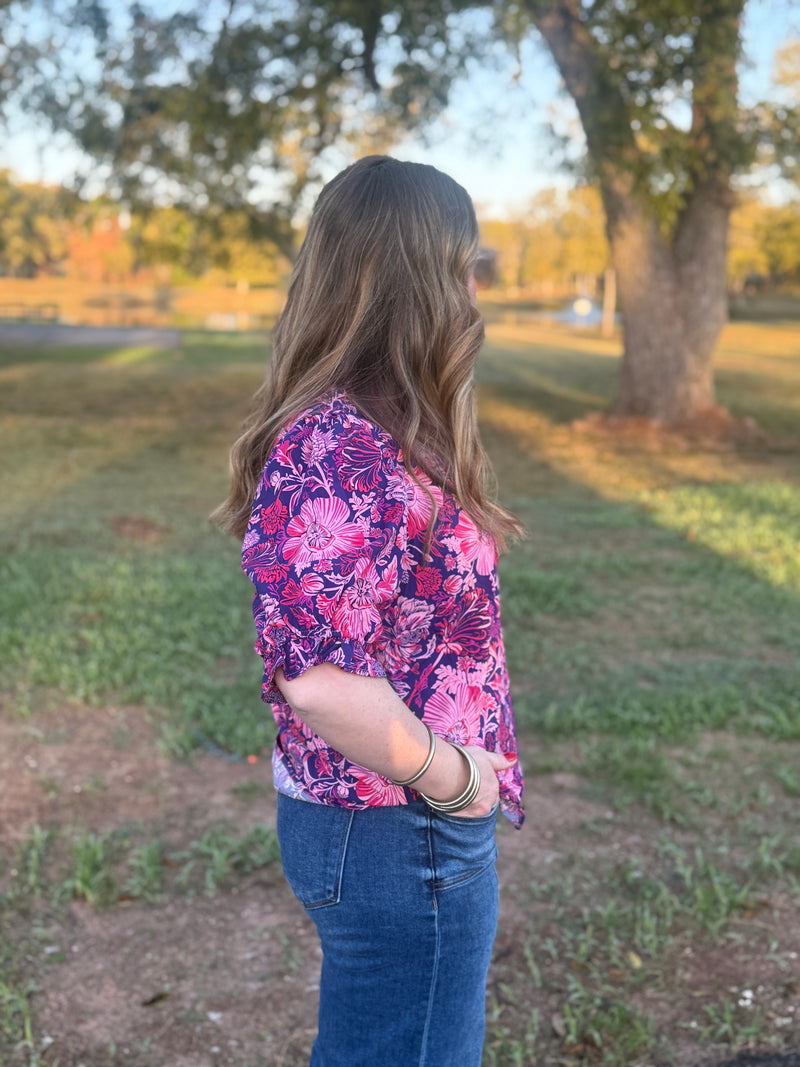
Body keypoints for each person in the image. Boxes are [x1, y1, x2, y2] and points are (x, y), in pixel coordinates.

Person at [213, 155, 525, 1067]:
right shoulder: (344, 444)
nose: (475, 292)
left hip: (392, 821)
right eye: (464, 266)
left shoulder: (367, 431)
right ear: (420, 281)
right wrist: (457, 780)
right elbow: (316, 682)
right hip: (400, 821)